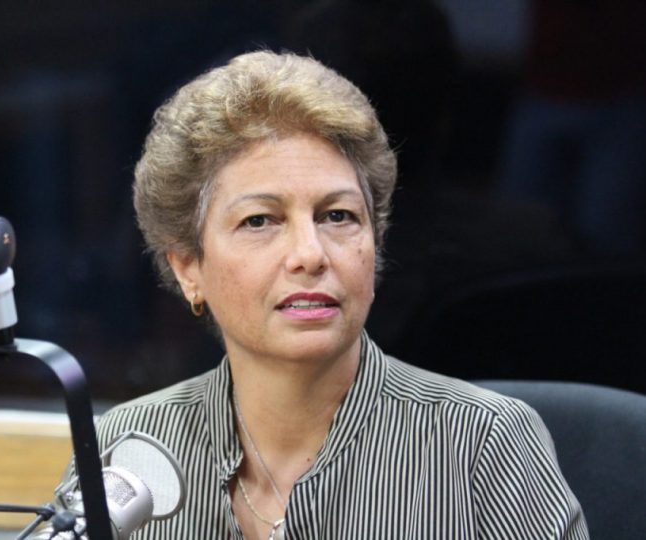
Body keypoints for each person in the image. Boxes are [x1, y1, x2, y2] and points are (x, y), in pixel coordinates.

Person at [48, 51, 588, 539]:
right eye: (260, 220)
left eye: (337, 216)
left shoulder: (484, 445)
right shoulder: (126, 449)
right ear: (188, 266)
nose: (311, 254)